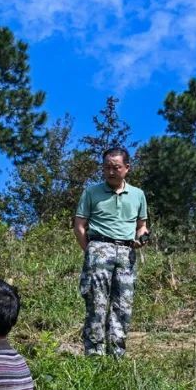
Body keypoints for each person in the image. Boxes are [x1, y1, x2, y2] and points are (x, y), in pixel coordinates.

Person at [72, 146, 149, 357]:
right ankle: (94, 356)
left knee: (123, 305)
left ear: (127, 168)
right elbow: (79, 225)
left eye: (116, 167)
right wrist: (90, 250)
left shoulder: (138, 195)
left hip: (126, 252)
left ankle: (117, 355)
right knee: (96, 303)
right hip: (99, 248)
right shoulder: (92, 192)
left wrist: (142, 237)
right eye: (107, 168)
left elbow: (142, 225)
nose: (111, 172)